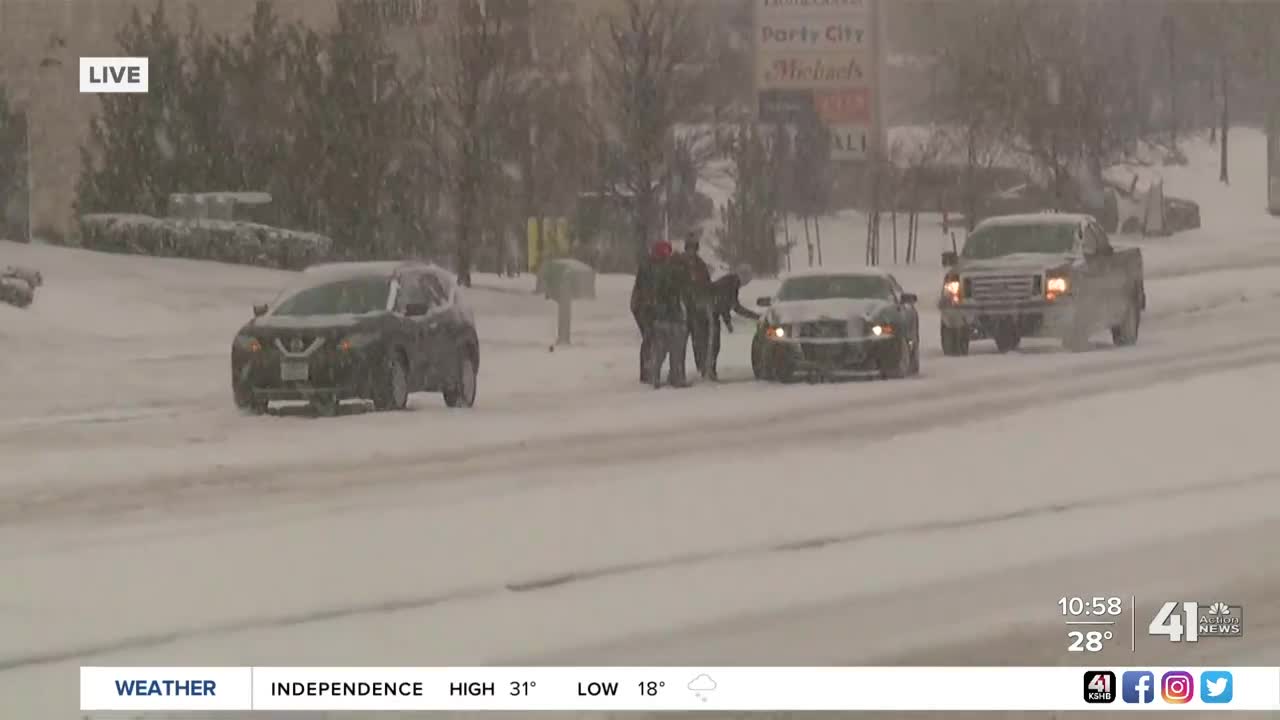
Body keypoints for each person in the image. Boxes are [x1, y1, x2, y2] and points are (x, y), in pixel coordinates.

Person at [645, 240, 691, 388]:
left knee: (660, 349)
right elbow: (681, 294)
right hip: (673, 316)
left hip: (660, 316)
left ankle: (654, 376)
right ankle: (676, 378)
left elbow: (656, 292)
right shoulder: (677, 273)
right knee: (676, 349)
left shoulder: (659, 271)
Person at [706, 264, 760, 381]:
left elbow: (734, 306)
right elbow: (724, 304)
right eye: (747, 280)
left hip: (711, 311)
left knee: (713, 343)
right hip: (708, 312)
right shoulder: (730, 283)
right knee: (713, 343)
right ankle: (709, 370)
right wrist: (728, 322)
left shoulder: (731, 282)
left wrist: (755, 316)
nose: (746, 284)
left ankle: (709, 370)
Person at [680, 231, 714, 378]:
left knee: (699, 341)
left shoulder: (701, 265)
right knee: (679, 343)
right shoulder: (678, 263)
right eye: (689, 247)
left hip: (697, 308)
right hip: (680, 307)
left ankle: (702, 368)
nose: (691, 251)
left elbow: (707, 285)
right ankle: (677, 371)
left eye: (694, 247)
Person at [630, 250, 657, 383]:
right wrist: (650, 303)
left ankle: (649, 368)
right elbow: (646, 290)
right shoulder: (649, 268)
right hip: (641, 307)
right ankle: (646, 371)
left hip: (644, 306)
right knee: (649, 336)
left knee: (651, 337)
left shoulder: (652, 266)